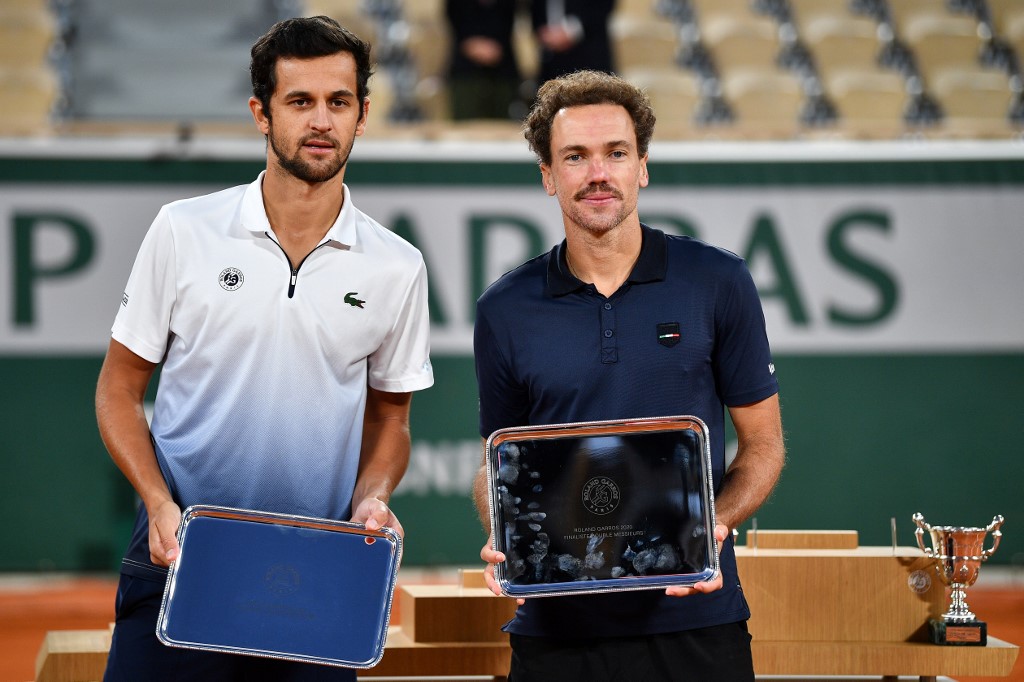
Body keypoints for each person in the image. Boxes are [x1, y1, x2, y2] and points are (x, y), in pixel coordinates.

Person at [95, 16, 434, 682]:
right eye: (299, 102)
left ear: (363, 115)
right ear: (261, 113)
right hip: (179, 550)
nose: (321, 121)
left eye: (338, 102)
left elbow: (390, 422)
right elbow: (118, 388)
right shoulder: (183, 230)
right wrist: (158, 503)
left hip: (317, 568)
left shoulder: (398, 266)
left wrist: (373, 496)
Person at [472, 70, 785, 681]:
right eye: (575, 157)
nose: (598, 173)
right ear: (547, 174)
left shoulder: (718, 283)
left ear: (642, 165)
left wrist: (714, 525)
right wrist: (502, 530)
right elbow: (498, 464)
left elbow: (764, 446)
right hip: (558, 630)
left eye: (616, 153)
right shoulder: (504, 308)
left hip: (696, 622)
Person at [445, 0, 523, 120]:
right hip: (465, 73)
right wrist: (472, 45)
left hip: (503, 72)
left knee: (502, 126)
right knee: (465, 126)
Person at [530, 0, 615, 84]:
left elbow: (602, 6)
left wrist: (571, 31)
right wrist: (544, 33)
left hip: (589, 56)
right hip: (551, 62)